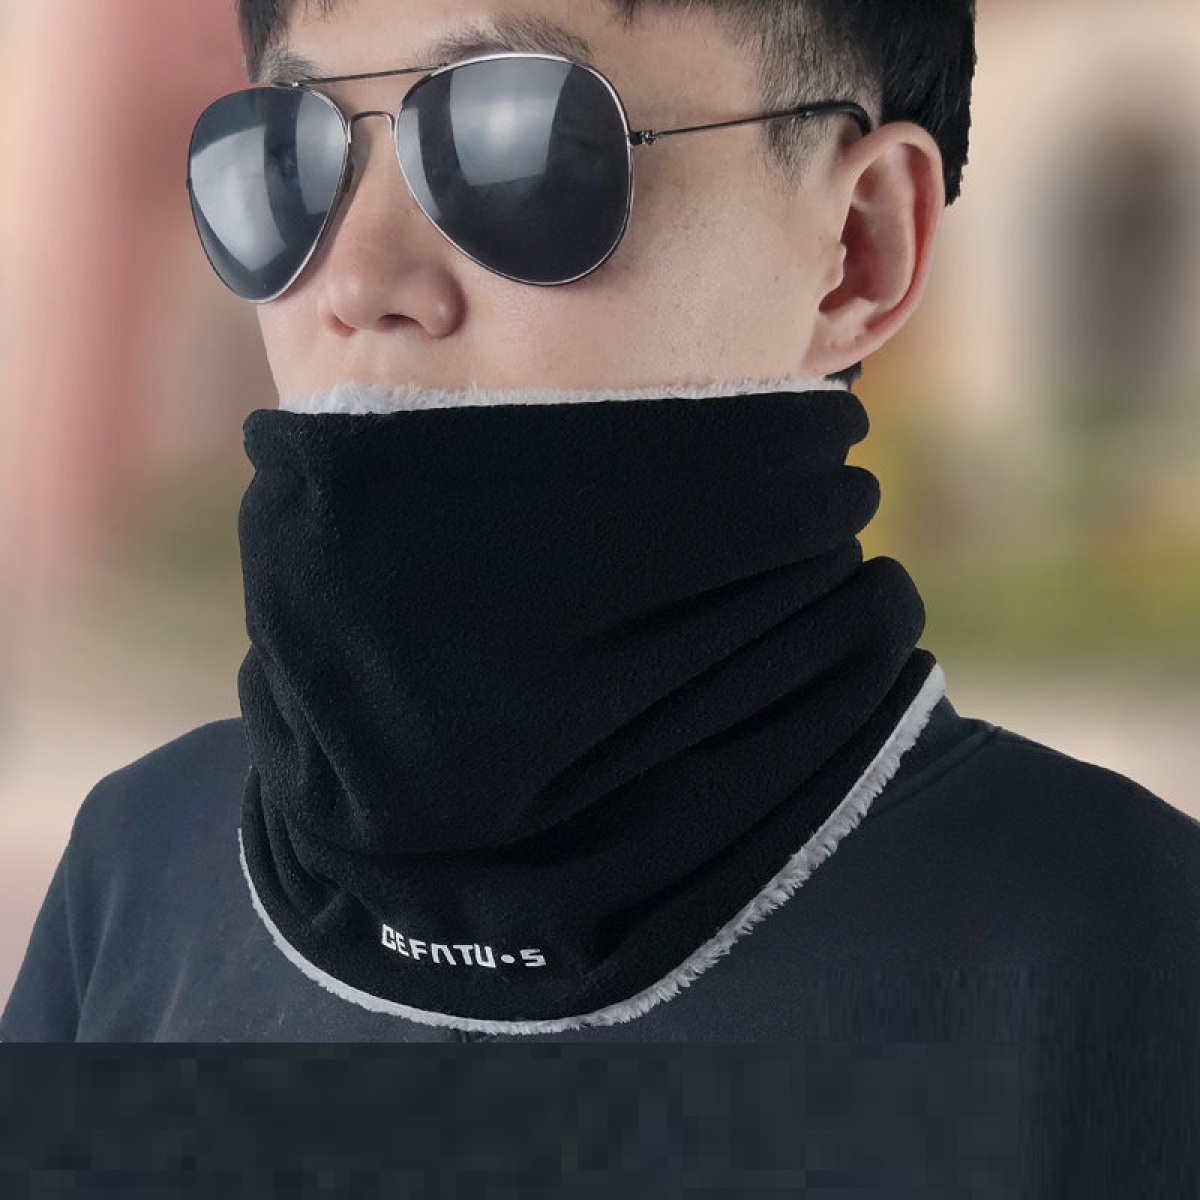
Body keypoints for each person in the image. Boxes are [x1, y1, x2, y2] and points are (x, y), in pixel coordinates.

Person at [2, 0, 1198, 1148]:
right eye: (282, 160)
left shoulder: (1129, 948)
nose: (354, 283)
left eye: (511, 141)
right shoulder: (134, 872)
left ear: (859, 246)